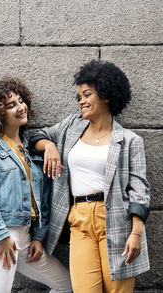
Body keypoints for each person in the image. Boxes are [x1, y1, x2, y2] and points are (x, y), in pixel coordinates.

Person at [30, 60, 150, 293]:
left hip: (117, 222)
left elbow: (140, 190)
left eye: (87, 95)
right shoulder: (70, 126)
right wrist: (50, 147)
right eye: (79, 97)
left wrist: (136, 233)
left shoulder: (130, 140)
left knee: (118, 290)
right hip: (79, 220)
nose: (81, 101)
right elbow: (37, 136)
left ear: (106, 95)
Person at [0, 77, 72, 293]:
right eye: (11, 105)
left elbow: (41, 200)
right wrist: (1, 237)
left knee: (67, 285)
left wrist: (37, 237)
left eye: (20, 101)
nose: (20, 107)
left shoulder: (32, 150)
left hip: (26, 239)